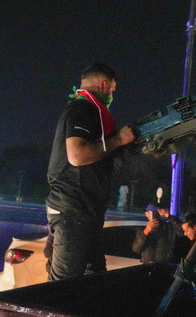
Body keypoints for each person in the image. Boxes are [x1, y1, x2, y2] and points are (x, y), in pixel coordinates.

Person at [45, 63, 136, 281]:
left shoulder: (88, 111)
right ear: (103, 85)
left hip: (85, 213)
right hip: (73, 211)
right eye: (112, 90)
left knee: (93, 283)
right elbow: (77, 156)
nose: (112, 96)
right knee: (61, 290)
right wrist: (119, 139)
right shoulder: (82, 109)